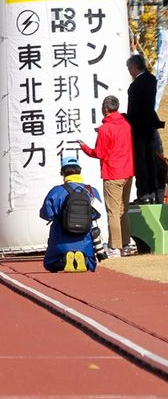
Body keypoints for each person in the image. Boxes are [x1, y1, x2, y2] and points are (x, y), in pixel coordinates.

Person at [79, 95, 135, 257]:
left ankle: (114, 247)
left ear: (105, 109)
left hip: (113, 173)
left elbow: (99, 153)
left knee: (112, 211)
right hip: (127, 171)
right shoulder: (125, 125)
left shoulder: (105, 129)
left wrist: (84, 147)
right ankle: (125, 244)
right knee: (123, 210)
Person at [40, 156, 104, 272]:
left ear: (63, 173)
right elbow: (97, 214)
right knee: (89, 262)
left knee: (51, 264)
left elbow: (46, 214)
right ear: (80, 171)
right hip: (85, 239)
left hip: (61, 238)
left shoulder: (56, 191)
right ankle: (83, 257)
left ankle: (65, 258)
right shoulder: (91, 191)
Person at [126, 54, 164, 204]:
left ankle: (144, 193)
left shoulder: (137, 84)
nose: (130, 71)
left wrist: (128, 120)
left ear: (135, 66)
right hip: (149, 127)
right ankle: (152, 192)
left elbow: (134, 109)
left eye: (130, 68)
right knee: (150, 161)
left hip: (138, 128)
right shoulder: (151, 79)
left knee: (141, 162)